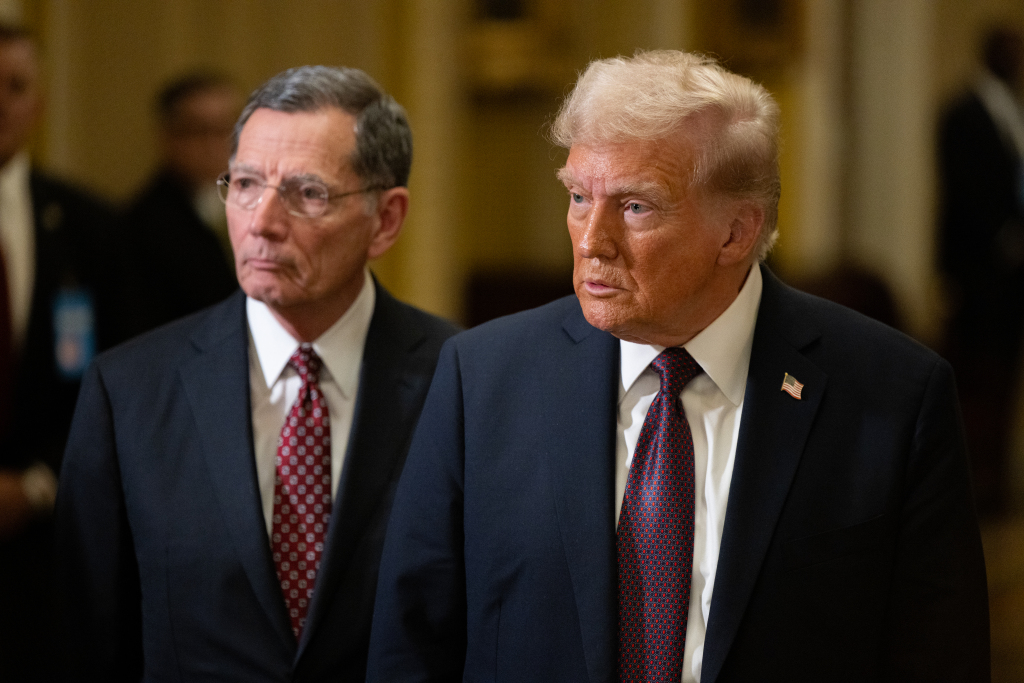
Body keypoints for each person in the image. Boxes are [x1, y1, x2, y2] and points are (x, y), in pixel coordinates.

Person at [367, 51, 990, 682]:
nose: (591, 239)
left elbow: (938, 658)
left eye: (636, 206)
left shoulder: (895, 395)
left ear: (735, 233)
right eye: (580, 197)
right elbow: (411, 646)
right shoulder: (483, 378)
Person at [56, 65, 458, 682]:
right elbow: (90, 644)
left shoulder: (464, 382)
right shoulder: (129, 392)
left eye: (307, 193)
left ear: (385, 220)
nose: (261, 222)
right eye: (245, 183)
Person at [0, 24, 118, 682]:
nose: (0, 103)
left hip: (45, 540)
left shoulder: (89, 227)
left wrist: (39, 482)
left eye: (16, 87)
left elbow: (110, 378)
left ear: (38, 104)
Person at [938, 26, 1024, 514]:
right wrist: (1005, 237)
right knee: (976, 379)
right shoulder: (962, 113)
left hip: (1012, 278)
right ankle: (972, 484)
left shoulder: (1013, 111)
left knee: (1005, 378)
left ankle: (998, 481)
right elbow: (964, 192)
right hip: (976, 272)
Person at [116, 71, 242, 340]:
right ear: (169, 137)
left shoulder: (253, 205)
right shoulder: (141, 226)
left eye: (225, 129)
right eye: (200, 131)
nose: (215, 144)